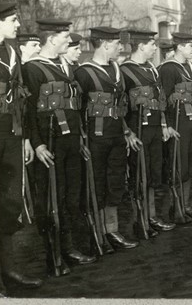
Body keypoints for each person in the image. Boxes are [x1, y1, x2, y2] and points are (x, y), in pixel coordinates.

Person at [23, 18, 97, 277]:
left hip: (70, 141)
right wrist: (37, 142)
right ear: (51, 38)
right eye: (66, 36)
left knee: (70, 197)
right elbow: (29, 110)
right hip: (48, 142)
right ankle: (52, 254)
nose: (70, 40)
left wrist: (79, 139)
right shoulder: (31, 68)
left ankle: (69, 248)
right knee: (51, 198)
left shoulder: (66, 65)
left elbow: (73, 107)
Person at [74, 27, 140, 252]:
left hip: (116, 136)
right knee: (97, 183)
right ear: (103, 43)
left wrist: (127, 131)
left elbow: (121, 106)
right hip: (96, 138)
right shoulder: (83, 72)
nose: (120, 47)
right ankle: (97, 232)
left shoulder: (116, 69)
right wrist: (82, 139)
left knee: (115, 183)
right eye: (116, 43)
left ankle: (111, 230)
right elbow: (77, 110)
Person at [0, 2, 43, 292]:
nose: (17, 26)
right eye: (13, 20)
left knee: (9, 204)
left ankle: (9, 270)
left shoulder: (12, 53)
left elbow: (22, 101)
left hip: (11, 137)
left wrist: (25, 137)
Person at [121, 30, 176, 236]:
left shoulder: (152, 69)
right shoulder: (125, 70)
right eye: (152, 44)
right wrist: (127, 132)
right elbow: (121, 105)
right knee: (138, 175)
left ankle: (152, 216)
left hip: (154, 127)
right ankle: (139, 219)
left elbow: (160, 99)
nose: (155, 48)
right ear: (141, 46)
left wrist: (163, 124)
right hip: (137, 128)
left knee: (153, 174)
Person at [158, 32, 192, 221]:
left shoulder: (190, 68)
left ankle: (186, 204)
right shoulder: (168, 68)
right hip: (176, 122)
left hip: (190, 121)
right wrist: (166, 124)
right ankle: (176, 207)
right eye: (190, 46)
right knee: (178, 165)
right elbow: (162, 99)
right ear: (179, 47)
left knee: (191, 165)